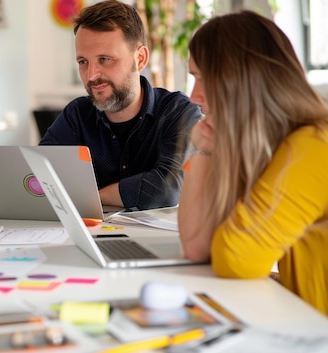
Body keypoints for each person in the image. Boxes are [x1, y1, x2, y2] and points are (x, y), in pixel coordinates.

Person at [178, 11, 328, 316]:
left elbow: (236, 258)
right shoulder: (281, 147)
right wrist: (204, 149)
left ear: (240, 83)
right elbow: (197, 248)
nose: (194, 96)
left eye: (203, 79)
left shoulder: (313, 148)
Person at [39, 0, 201, 210]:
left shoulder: (178, 113)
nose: (91, 75)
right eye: (83, 62)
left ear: (140, 59)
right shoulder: (77, 115)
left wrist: (93, 197)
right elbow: (39, 178)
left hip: (159, 242)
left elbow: (168, 189)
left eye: (105, 59)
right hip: (90, 238)